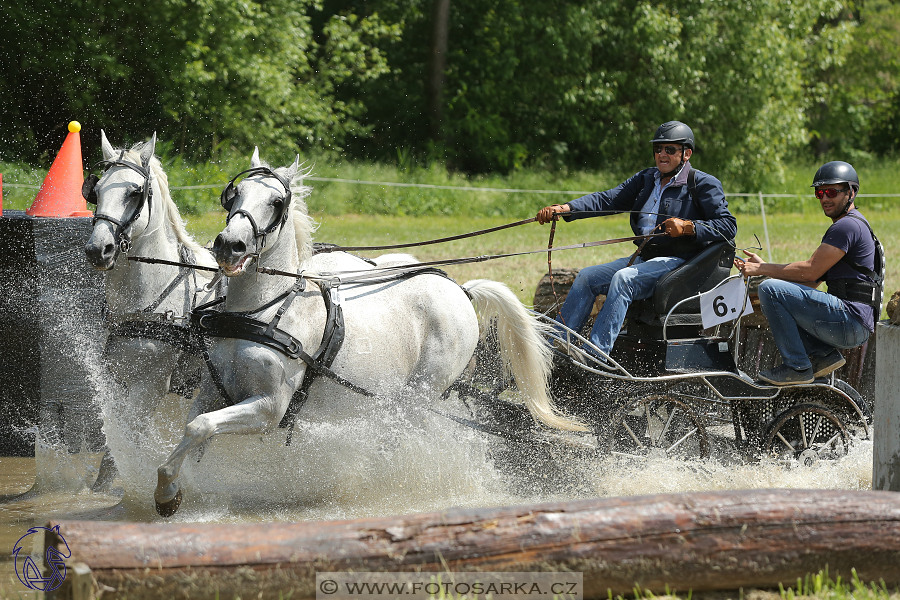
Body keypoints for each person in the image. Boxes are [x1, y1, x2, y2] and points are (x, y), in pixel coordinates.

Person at [536, 121, 737, 361]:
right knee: (587, 277)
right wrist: (566, 209)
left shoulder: (702, 184)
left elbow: (728, 225)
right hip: (645, 259)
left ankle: (596, 356)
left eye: (670, 149)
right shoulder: (646, 179)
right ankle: (555, 346)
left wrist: (688, 227)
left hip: (681, 264)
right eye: (658, 148)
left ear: (686, 154)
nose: (662, 154)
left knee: (624, 279)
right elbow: (607, 200)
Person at [734, 161, 882, 386]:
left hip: (850, 320)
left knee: (768, 290)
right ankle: (823, 356)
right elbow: (813, 281)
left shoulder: (846, 227)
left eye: (831, 191)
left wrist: (761, 270)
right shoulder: (852, 226)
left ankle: (798, 367)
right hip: (854, 322)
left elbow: (810, 270)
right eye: (819, 193)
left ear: (851, 192)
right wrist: (766, 266)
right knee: (774, 292)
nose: (824, 198)